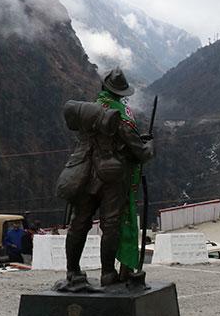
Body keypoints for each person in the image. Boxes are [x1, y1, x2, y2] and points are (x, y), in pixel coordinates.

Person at [58, 67, 154, 288]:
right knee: (110, 224)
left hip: (82, 172)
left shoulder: (87, 112)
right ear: (121, 94)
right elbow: (139, 152)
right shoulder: (121, 114)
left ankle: (72, 271)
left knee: (79, 223)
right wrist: (150, 145)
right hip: (111, 176)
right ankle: (108, 273)